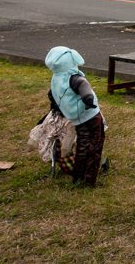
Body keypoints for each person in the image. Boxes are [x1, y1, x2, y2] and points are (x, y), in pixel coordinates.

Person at [43, 46, 106, 187]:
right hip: (90, 115)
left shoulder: (57, 79)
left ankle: (77, 176)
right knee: (94, 146)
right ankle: (89, 180)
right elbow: (85, 88)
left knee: (82, 147)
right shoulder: (74, 77)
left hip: (76, 118)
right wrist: (89, 100)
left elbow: (51, 95)